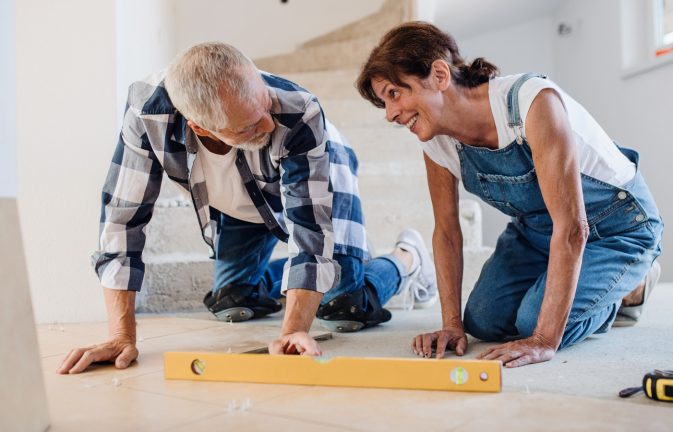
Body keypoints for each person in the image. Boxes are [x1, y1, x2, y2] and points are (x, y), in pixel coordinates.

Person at [57, 42, 437, 374]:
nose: (270, 122)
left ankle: (407, 258)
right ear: (203, 129)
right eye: (253, 125)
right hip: (237, 201)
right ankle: (300, 278)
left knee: (344, 307)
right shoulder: (147, 114)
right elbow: (122, 220)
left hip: (319, 176)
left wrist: (292, 331)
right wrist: (121, 335)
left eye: (266, 104)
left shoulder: (297, 112)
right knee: (232, 301)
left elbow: (309, 231)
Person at [355, 22, 663, 368]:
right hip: (538, 232)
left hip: (617, 227)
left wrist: (544, 340)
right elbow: (447, 232)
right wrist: (452, 325)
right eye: (384, 103)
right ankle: (568, 288)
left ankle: (629, 292)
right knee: (483, 320)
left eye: (395, 94)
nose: (390, 115)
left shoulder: (531, 103)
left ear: (439, 75)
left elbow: (573, 228)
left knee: (534, 323)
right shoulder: (437, 143)